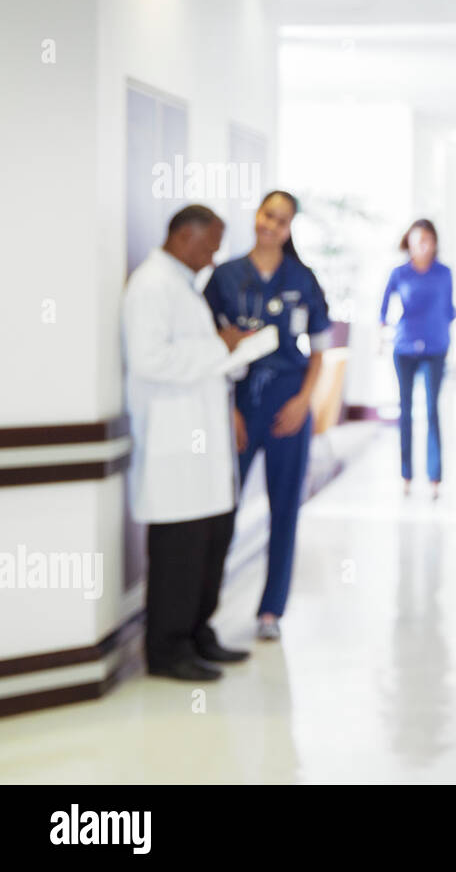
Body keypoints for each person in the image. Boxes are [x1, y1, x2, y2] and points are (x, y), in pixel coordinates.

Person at [123, 205, 252, 681]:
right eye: (209, 244)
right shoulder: (152, 285)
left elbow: (205, 357)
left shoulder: (182, 286)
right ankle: (167, 650)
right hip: (173, 447)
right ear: (183, 236)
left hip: (202, 444)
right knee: (180, 554)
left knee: (210, 545)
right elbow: (149, 359)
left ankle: (198, 632)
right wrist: (220, 346)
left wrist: (231, 349)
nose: (214, 255)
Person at [203, 190, 331, 642]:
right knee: (221, 507)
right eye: (267, 216)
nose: (271, 226)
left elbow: (319, 351)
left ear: (290, 228)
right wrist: (230, 410)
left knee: (284, 509)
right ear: (256, 216)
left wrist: (303, 401)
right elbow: (207, 344)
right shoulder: (225, 277)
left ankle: (271, 611)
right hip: (239, 400)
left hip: (288, 401)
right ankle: (203, 607)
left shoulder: (303, 278)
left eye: (281, 221)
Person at [381, 218, 456, 497]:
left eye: (426, 240)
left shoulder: (444, 273)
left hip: (436, 348)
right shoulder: (399, 274)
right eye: (416, 240)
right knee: (406, 412)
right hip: (404, 349)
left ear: (434, 243)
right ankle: (406, 475)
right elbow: (383, 311)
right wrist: (383, 335)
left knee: (432, 411)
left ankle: (435, 476)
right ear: (408, 243)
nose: (421, 246)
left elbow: (449, 310)